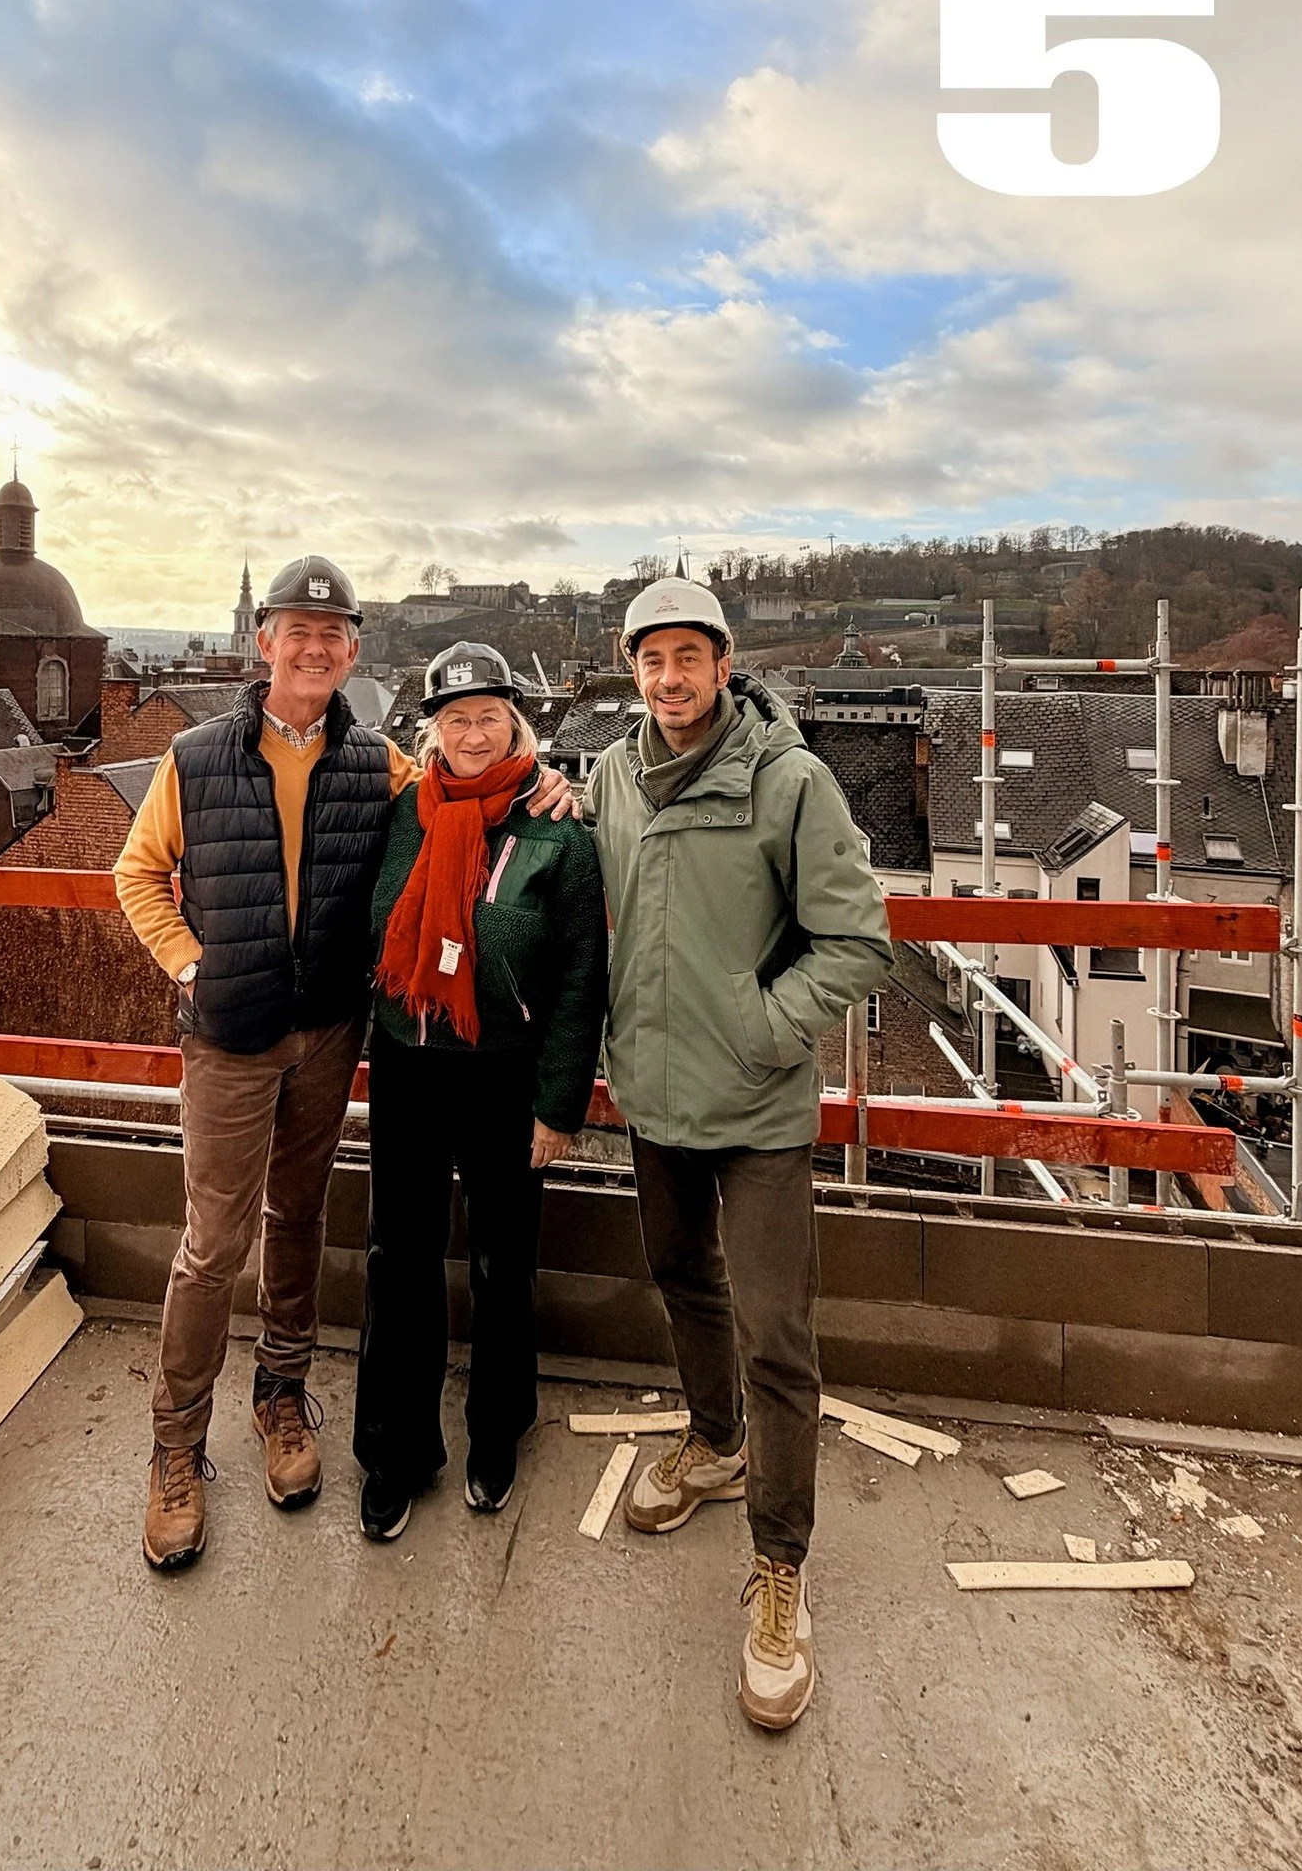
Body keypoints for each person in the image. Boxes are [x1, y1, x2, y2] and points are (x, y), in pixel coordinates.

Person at [114, 559, 574, 1572]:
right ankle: (176, 1447)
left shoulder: (376, 763)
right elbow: (136, 872)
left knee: (301, 1216)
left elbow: (466, 780)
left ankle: (282, 1397)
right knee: (210, 1239)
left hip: (327, 1031)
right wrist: (192, 964)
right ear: (264, 642)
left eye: (333, 632)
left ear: (354, 651)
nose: (315, 646)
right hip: (231, 1037)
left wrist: (546, 780)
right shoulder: (193, 755)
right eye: (296, 628)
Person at [583, 576, 893, 1731]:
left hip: (758, 1106)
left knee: (777, 1334)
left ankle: (781, 1570)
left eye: (688, 657)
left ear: (723, 664)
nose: (668, 678)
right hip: (655, 1097)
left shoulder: (789, 780)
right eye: (649, 658)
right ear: (632, 667)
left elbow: (859, 938)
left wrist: (764, 1026)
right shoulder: (613, 776)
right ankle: (711, 1443)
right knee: (682, 1280)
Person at [352, 643, 607, 1541]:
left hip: (504, 1070)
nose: (470, 733)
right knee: (399, 1254)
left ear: (515, 724)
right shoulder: (402, 817)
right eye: (454, 718)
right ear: (431, 731)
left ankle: (496, 1431)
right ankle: (395, 1449)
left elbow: (582, 976)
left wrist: (558, 1105)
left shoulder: (556, 832)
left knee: (503, 1261)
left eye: (487, 717)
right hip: (407, 1061)